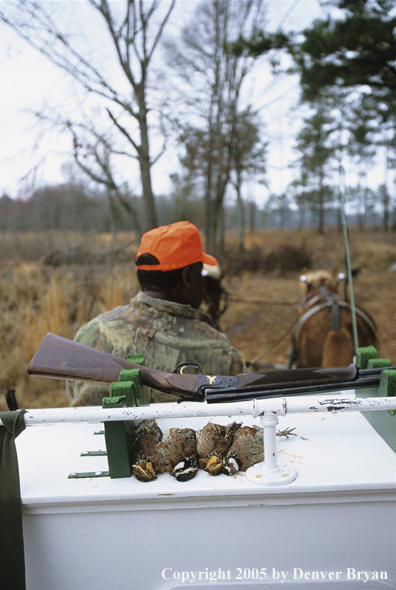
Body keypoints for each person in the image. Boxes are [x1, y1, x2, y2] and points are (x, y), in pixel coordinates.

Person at [67, 221, 247, 406]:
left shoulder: (87, 336)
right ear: (187, 278)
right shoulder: (220, 351)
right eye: (199, 272)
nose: (202, 284)